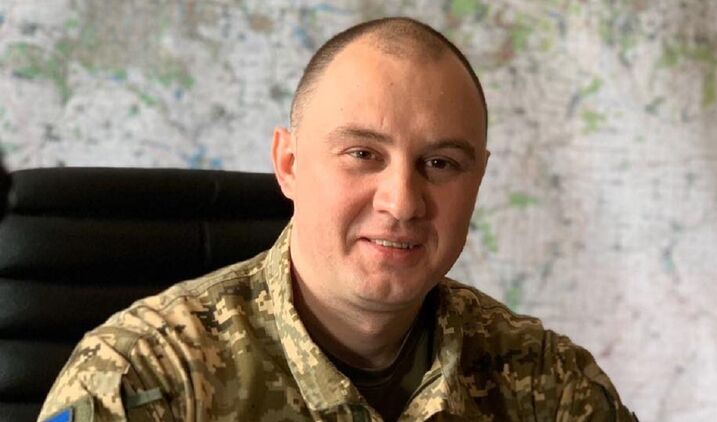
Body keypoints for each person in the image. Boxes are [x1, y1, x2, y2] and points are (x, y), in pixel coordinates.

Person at [38, 17, 636, 421]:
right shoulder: (146, 378)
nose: (402, 202)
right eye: (363, 155)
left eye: (440, 163)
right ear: (289, 164)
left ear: (477, 179)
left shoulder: (548, 385)